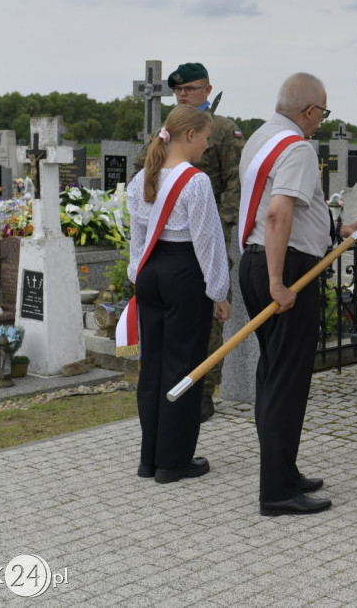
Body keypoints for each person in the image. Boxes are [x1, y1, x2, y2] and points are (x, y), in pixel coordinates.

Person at [238, 72, 357, 515]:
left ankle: (283, 469)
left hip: (258, 261)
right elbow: (278, 215)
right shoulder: (296, 148)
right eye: (323, 113)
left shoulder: (261, 137)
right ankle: (276, 491)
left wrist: (337, 229)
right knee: (287, 381)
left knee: (274, 373)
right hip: (286, 269)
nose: (321, 123)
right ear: (309, 110)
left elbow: (286, 211)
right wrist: (279, 283)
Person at [127, 105, 231, 484]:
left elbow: (137, 243)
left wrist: (138, 276)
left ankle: (150, 458)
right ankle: (174, 461)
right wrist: (219, 292)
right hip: (184, 273)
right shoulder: (196, 182)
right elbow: (208, 242)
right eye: (205, 138)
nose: (207, 146)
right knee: (184, 365)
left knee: (152, 365)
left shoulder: (141, 179)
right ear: (190, 135)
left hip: (150, 273)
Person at [134, 62, 243, 423]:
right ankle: (177, 393)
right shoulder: (168, 130)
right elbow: (146, 173)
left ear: (208, 90)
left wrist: (221, 226)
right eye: (179, 90)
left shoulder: (223, 130)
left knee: (208, 320)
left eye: (191, 89)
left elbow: (234, 186)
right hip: (171, 233)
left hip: (207, 230)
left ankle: (204, 389)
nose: (184, 95)